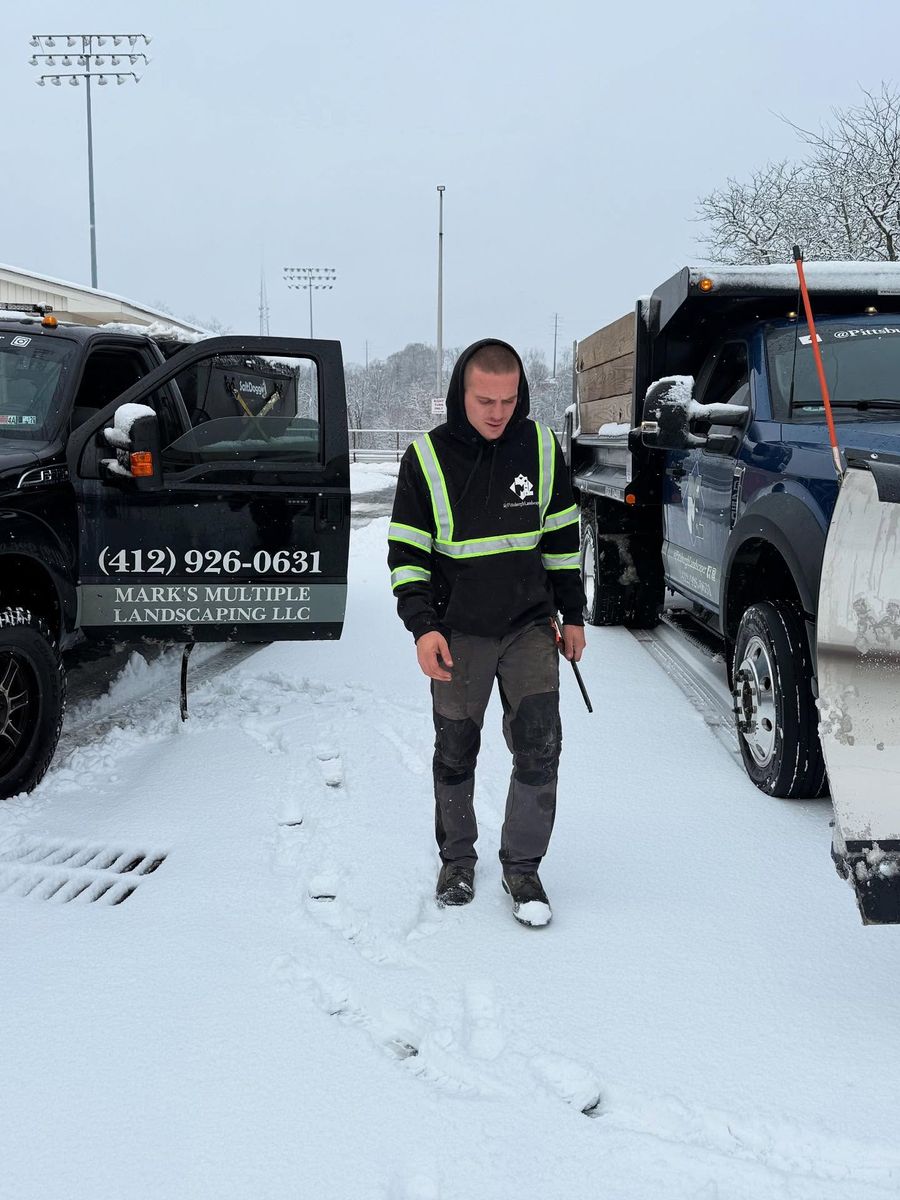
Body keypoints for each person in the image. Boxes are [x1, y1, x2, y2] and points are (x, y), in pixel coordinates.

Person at [387, 339, 586, 927]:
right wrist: (422, 627)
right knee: (455, 751)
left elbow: (562, 543)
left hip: (528, 628)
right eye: (484, 400)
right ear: (460, 394)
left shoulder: (543, 450)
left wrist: (572, 614)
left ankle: (522, 866)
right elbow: (406, 555)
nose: (498, 412)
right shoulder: (425, 458)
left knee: (539, 746)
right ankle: (457, 859)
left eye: (508, 399)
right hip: (457, 633)